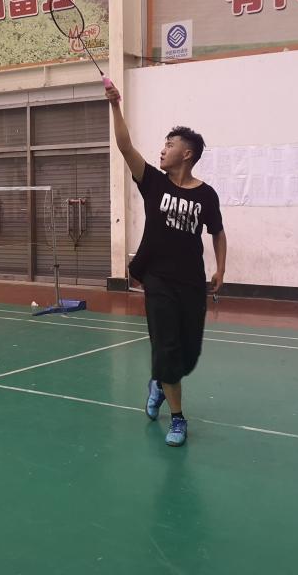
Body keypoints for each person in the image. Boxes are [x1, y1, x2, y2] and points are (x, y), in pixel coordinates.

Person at [104, 82, 227, 447]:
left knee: (188, 353)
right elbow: (125, 146)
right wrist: (115, 106)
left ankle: (159, 382)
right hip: (157, 279)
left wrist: (221, 269)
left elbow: (218, 232)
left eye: (170, 144)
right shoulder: (154, 184)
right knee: (168, 347)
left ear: (187, 154)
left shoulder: (206, 195)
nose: (163, 149)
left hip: (191, 282)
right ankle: (178, 418)